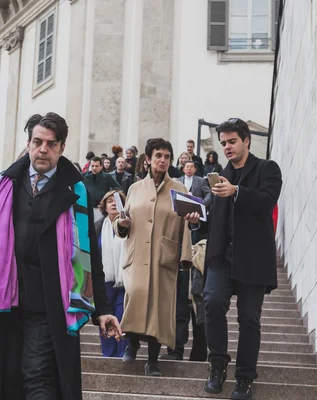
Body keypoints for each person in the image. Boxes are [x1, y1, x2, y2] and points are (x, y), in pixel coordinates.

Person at [0, 113, 122, 400]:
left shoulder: (76, 192)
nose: (42, 149)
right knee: (5, 380)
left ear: (61, 148)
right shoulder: (2, 185)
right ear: (28, 144)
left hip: (48, 304)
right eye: (37, 142)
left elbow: (88, 256)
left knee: (38, 377)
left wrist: (103, 308)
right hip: (2, 302)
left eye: (51, 144)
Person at [202, 118, 282, 400]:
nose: (226, 147)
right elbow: (211, 217)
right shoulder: (219, 175)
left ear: (246, 140)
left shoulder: (267, 169)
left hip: (253, 258)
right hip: (221, 256)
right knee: (211, 302)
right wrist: (194, 217)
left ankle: (245, 378)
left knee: (249, 319)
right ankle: (218, 365)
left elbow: (267, 200)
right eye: (223, 142)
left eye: (232, 141)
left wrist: (236, 191)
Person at [114, 138, 199, 377]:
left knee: (160, 309)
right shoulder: (134, 189)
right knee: (136, 297)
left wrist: (184, 256)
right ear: (148, 159)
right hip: (137, 254)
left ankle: (152, 360)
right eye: (158, 155)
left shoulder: (180, 190)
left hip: (164, 258)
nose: (163, 160)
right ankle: (131, 343)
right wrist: (120, 224)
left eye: (167, 156)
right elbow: (122, 222)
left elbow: (187, 224)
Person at [161, 160, 211, 362]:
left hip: (199, 256)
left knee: (199, 304)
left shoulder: (203, 186)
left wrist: (198, 210)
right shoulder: (174, 193)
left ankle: (199, 353)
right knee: (179, 305)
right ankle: (175, 349)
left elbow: (209, 211)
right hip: (179, 257)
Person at [95, 190, 129, 358]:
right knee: (107, 318)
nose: (114, 203)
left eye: (117, 201)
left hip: (125, 280)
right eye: (109, 201)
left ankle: (123, 351)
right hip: (104, 282)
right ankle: (108, 354)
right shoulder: (98, 226)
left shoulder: (129, 225)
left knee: (122, 315)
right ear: (104, 206)